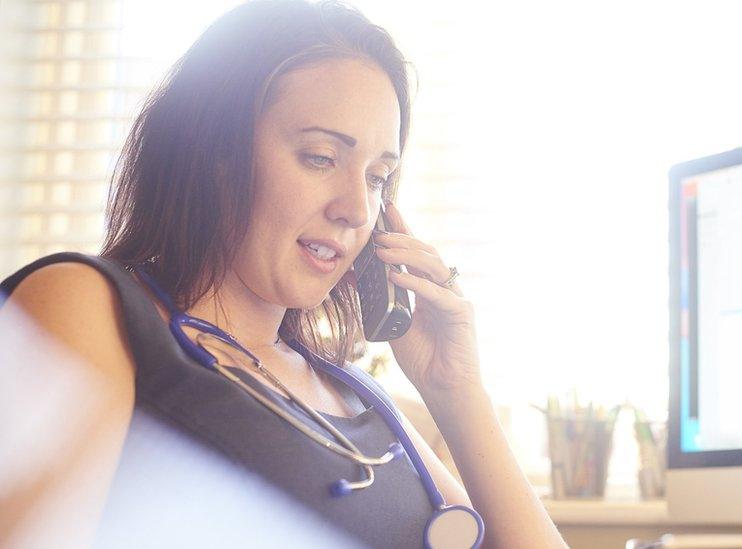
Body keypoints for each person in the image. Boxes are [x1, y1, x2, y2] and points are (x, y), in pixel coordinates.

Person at [0, 1, 567, 547]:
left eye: (377, 178)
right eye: (321, 158)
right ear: (213, 154)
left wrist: (457, 392)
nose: (356, 209)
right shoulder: (88, 306)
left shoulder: (354, 393)